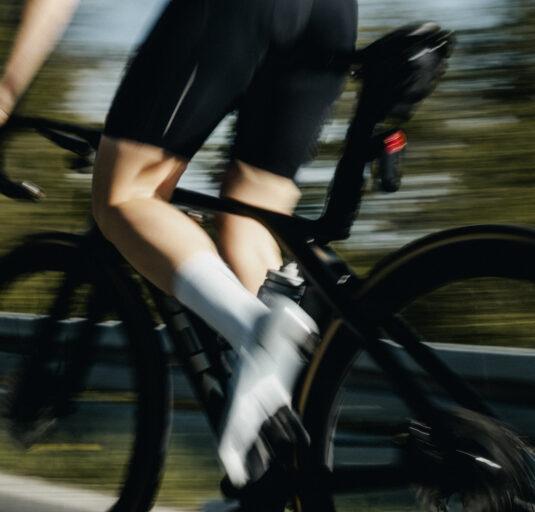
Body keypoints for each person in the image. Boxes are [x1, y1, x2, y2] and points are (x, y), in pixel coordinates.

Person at [0, 0, 358, 488]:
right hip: (331, 15)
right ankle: (269, 476)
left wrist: (6, 94)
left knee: (125, 195)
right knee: (249, 218)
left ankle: (254, 330)